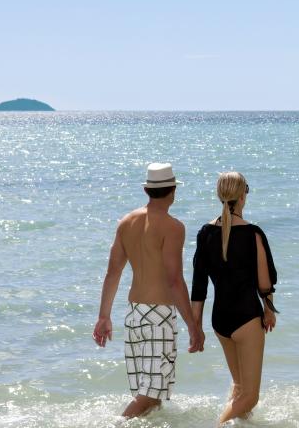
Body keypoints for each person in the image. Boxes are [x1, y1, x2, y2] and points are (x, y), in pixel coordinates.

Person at [92, 162, 205, 418]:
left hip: (134, 315)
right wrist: (193, 326)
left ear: (147, 190)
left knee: (152, 400)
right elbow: (174, 280)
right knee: (149, 396)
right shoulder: (173, 227)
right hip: (158, 317)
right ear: (173, 191)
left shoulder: (126, 222)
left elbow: (113, 273)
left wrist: (104, 316)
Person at [191, 171, 278, 424]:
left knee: (239, 387)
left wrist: (196, 326)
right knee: (249, 397)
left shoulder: (205, 233)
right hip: (247, 318)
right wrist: (269, 310)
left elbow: (199, 286)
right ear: (242, 195)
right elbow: (265, 282)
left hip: (220, 320)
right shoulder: (253, 233)